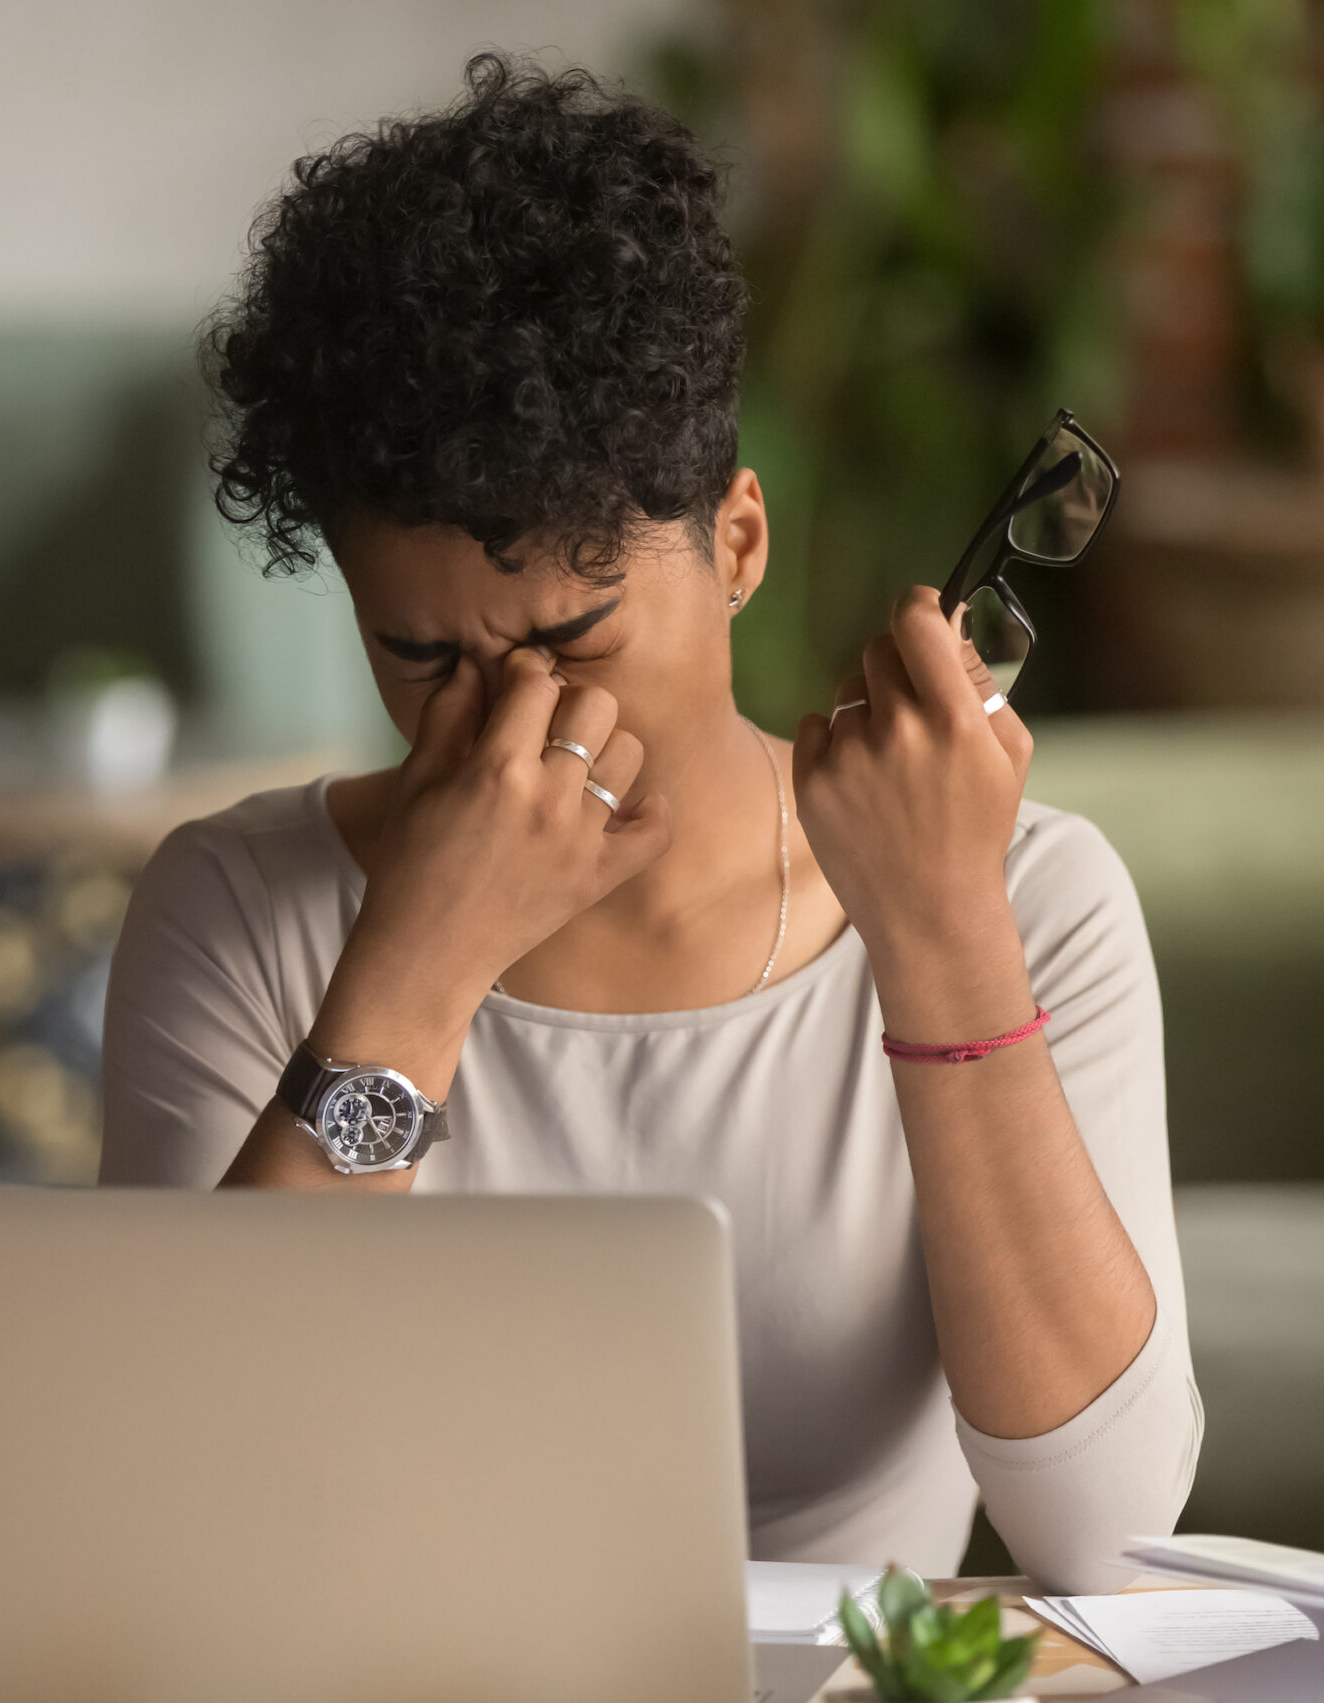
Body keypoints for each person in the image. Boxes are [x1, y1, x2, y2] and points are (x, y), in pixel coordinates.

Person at [99, 54, 1199, 1593]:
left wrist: (943, 933)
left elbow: (1108, 1536)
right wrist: (416, 965)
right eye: (423, 657)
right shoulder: (237, 912)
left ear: (737, 542)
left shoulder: (1035, 898)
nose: (510, 721)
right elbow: (182, 1518)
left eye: (582, 634)